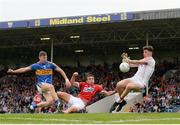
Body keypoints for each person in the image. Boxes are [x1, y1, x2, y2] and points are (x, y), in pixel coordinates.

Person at [113, 46, 155, 112]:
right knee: (119, 85)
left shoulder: (151, 60)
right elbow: (131, 65)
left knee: (129, 86)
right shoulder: (143, 60)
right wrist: (125, 61)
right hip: (134, 78)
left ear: (150, 53)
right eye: (143, 52)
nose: (144, 53)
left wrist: (128, 60)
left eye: (146, 52)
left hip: (141, 83)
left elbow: (137, 61)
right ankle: (123, 102)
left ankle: (117, 102)